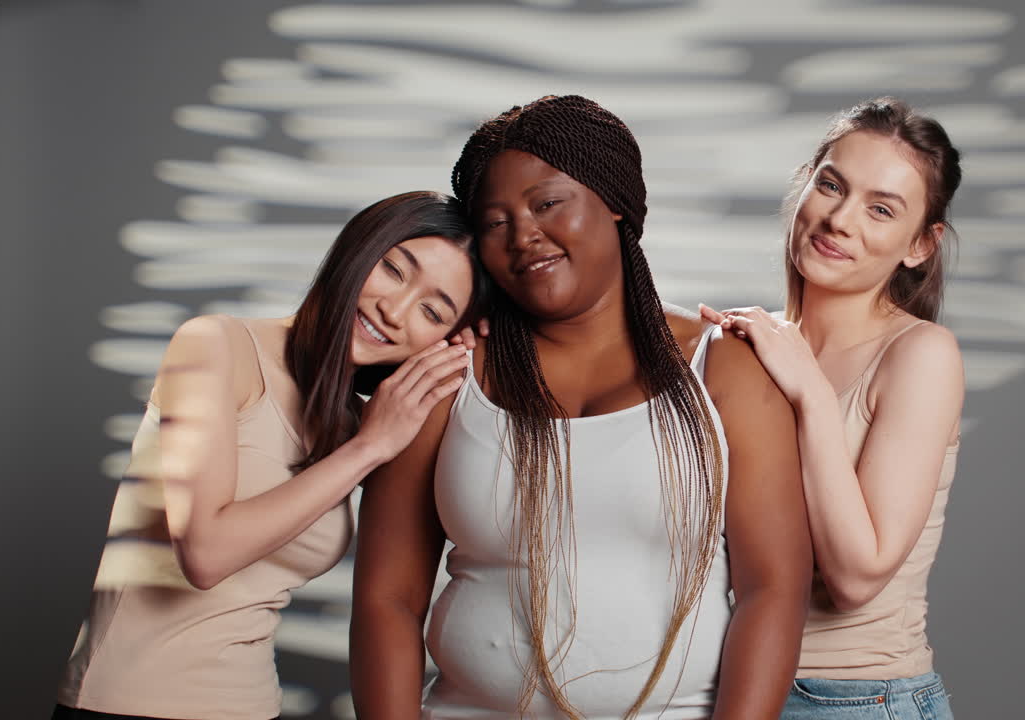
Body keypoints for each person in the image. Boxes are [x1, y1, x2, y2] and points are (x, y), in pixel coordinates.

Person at [350, 95, 812, 720]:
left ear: (614, 200)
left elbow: (774, 588)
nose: (523, 236)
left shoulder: (721, 366)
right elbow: (387, 598)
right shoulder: (447, 374)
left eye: (546, 204)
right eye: (495, 221)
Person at [54, 191, 484, 720]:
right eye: (394, 270)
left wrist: (471, 358)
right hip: (125, 706)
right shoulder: (216, 346)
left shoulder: (354, 421)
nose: (393, 311)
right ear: (358, 248)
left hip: (252, 706)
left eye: (432, 311)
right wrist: (369, 447)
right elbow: (205, 555)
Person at [702, 97, 964, 719]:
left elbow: (856, 577)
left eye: (881, 209)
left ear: (920, 246)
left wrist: (810, 391)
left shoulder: (919, 355)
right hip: (733, 690)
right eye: (831, 186)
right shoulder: (751, 346)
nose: (841, 220)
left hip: (856, 701)